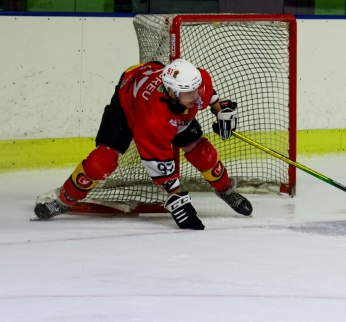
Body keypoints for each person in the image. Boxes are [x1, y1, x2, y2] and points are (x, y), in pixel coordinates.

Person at [34, 59, 251, 230]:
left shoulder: (194, 83)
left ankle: (225, 190)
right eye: (189, 93)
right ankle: (64, 199)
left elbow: (207, 93)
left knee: (202, 152)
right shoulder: (153, 121)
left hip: (151, 78)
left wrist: (220, 110)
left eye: (196, 89)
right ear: (172, 93)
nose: (196, 96)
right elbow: (159, 164)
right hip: (127, 104)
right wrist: (176, 198)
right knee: (101, 162)